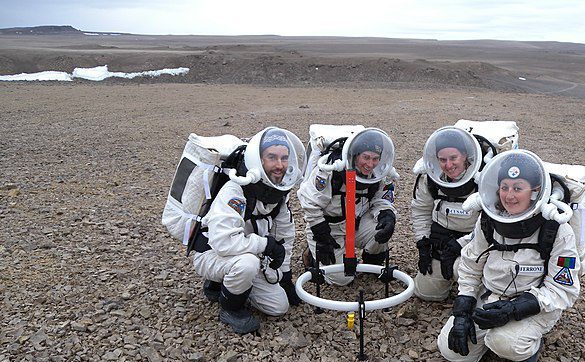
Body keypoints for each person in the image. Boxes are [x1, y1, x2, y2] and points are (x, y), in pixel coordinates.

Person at [437, 150, 581, 362]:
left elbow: (563, 289)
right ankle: (495, 335)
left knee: (506, 343)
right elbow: (470, 266)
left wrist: (514, 309)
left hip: (534, 305)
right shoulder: (489, 221)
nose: (509, 196)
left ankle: (528, 346)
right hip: (491, 297)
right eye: (504, 187)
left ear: (535, 192)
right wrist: (463, 312)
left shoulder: (557, 231)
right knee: (451, 350)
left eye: (518, 188)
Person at [191, 126, 306, 334]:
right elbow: (223, 242)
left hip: (248, 252)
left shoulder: (277, 192)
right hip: (212, 253)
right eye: (272, 157)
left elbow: (285, 234)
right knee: (247, 264)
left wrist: (286, 275)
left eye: (284, 158)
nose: (279, 165)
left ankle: (224, 285)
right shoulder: (235, 190)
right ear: (259, 160)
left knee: (279, 307)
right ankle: (230, 309)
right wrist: (265, 244)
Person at [298, 128, 397, 286]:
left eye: (375, 158)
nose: (370, 164)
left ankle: (372, 260)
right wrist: (320, 233)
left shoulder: (378, 173)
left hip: (355, 223)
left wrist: (387, 214)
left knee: (381, 228)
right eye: (365, 157)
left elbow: (381, 199)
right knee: (342, 279)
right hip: (328, 227)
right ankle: (312, 254)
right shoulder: (331, 170)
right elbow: (309, 202)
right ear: (356, 154)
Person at [412, 127, 483, 301]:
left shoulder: (484, 180)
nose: (448, 165)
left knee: (477, 296)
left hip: (475, 246)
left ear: (466, 155)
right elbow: (421, 210)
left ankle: (474, 284)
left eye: (453, 158)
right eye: (442, 159)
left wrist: (459, 246)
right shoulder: (429, 178)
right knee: (425, 293)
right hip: (441, 243)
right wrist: (423, 243)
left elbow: (493, 225)